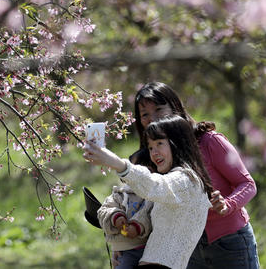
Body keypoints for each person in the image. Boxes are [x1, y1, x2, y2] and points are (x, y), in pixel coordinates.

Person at [132, 82, 260, 269]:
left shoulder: (209, 141)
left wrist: (227, 204)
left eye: (159, 109)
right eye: (145, 115)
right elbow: (149, 211)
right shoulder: (153, 157)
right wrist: (125, 248)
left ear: (175, 107)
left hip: (230, 243)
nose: (152, 119)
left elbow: (247, 184)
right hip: (187, 249)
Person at [84, 115, 213, 269]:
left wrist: (116, 163)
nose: (154, 152)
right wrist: (122, 246)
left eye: (159, 143)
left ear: (178, 143)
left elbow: (153, 185)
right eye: (151, 147)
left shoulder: (185, 181)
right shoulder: (186, 180)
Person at [97, 164, 154, 269]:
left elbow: (147, 215)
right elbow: (104, 210)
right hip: (124, 250)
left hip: (148, 248)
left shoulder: (152, 197)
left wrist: (137, 226)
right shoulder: (120, 194)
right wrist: (115, 216)